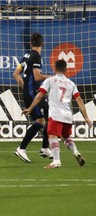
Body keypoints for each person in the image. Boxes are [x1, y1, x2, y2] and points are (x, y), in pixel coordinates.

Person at [22, 60, 92, 168]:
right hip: (68, 115)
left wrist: (30, 108)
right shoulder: (71, 83)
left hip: (55, 114)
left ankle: (56, 161)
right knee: (66, 137)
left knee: (52, 136)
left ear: (54, 68)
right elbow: (79, 100)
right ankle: (76, 152)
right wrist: (86, 117)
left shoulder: (50, 80)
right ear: (66, 69)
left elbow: (40, 95)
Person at [13, 32, 51, 163]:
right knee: (40, 121)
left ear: (30, 43)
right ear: (42, 44)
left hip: (32, 92)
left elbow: (16, 74)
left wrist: (23, 86)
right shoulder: (36, 57)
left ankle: (45, 148)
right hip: (33, 93)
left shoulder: (26, 56)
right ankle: (21, 148)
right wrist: (54, 77)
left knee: (49, 114)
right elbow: (37, 77)